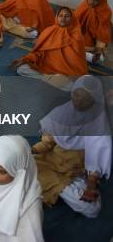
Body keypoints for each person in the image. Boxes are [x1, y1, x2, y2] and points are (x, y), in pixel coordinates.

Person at [33, 75, 111, 219]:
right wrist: (31, 151)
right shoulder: (61, 113)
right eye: (76, 94)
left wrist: (91, 186)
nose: (78, 101)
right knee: (23, 167)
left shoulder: (99, 127)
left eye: (86, 98)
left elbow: (95, 165)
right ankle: (52, 186)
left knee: (92, 208)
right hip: (49, 162)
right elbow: (47, 143)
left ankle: (49, 187)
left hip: (74, 173)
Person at [11, 7, 88, 91]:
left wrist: (68, 75)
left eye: (67, 16)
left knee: (70, 86)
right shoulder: (49, 31)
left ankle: (48, 81)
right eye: (61, 15)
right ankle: (49, 81)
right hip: (45, 67)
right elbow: (39, 53)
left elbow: (76, 63)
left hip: (62, 73)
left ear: (72, 18)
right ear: (57, 17)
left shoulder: (76, 37)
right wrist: (26, 59)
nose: (63, 18)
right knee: (22, 69)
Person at [75, 0, 111, 64]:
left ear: (102, 0)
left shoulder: (106, 11)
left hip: (94, 39)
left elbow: (103, 31)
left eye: (96, 0)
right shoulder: (84, 5)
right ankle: (87, 53)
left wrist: (98, 47)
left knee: (99, 58)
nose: (91, 2)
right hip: (80, 35)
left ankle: (90, 53)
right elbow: (74, 22)